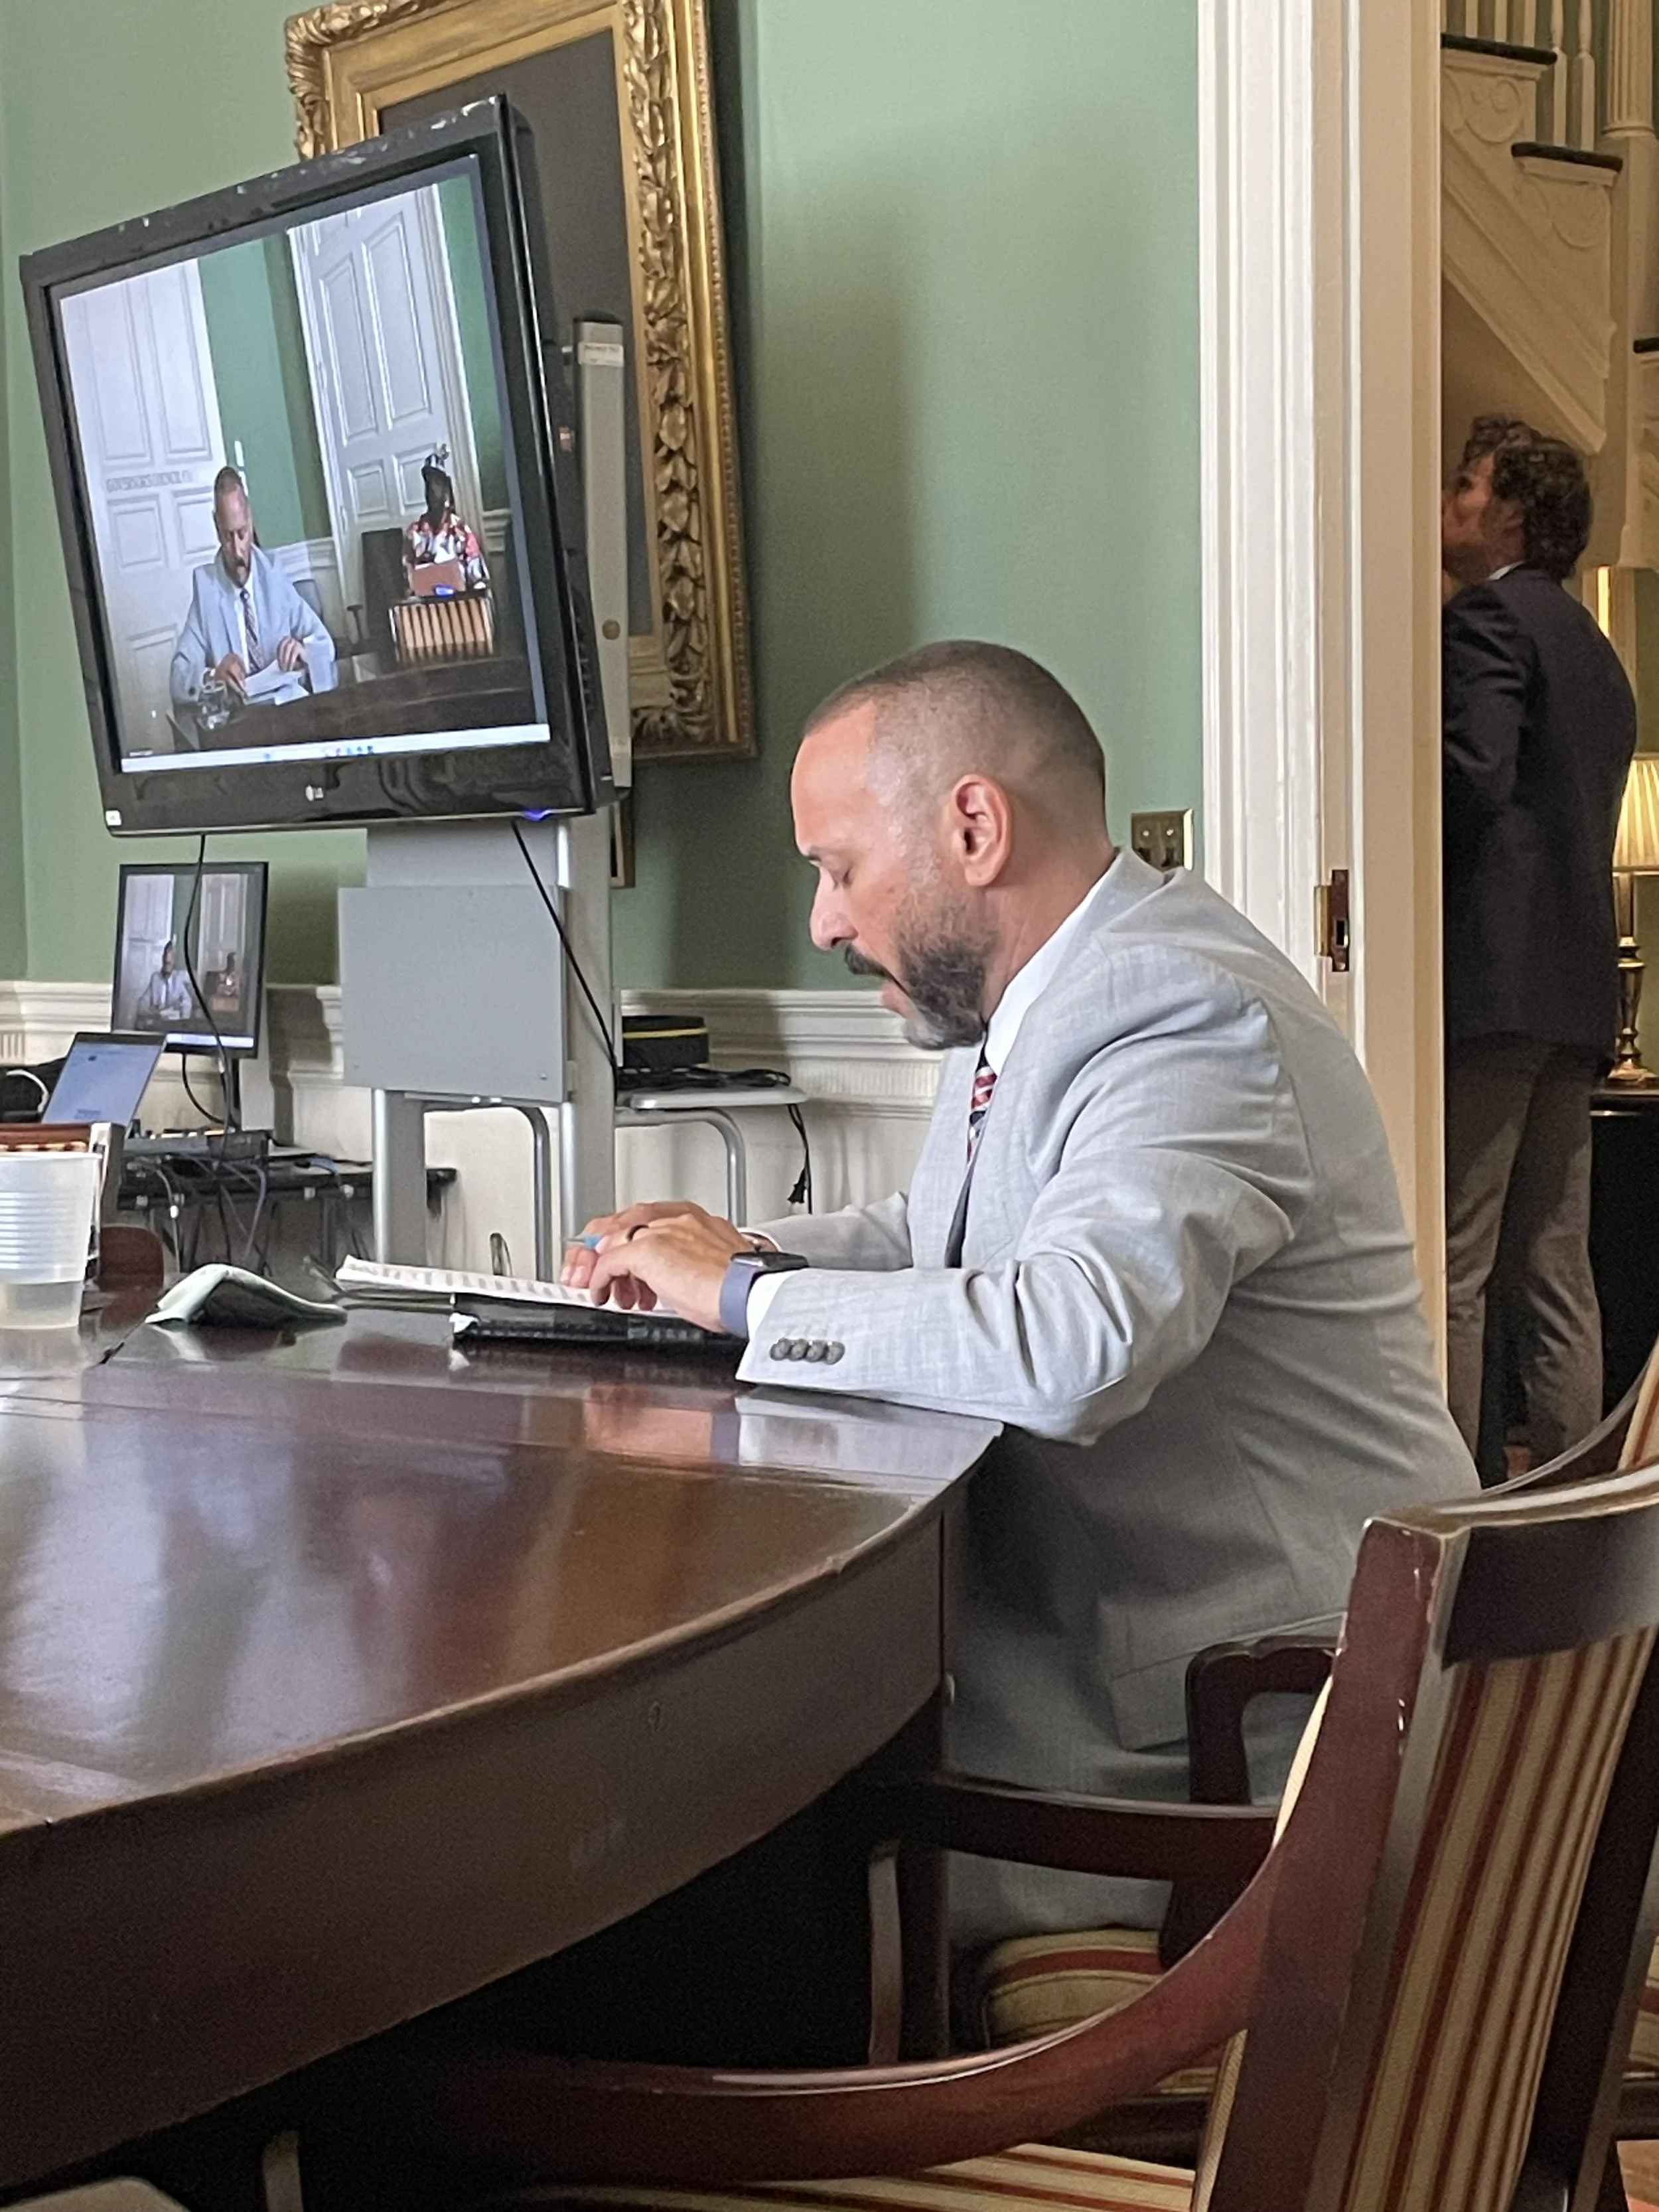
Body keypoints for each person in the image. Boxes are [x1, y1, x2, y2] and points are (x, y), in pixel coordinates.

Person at [564, 639, 1476, 1944]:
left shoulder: (1175, 1004)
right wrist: (727, 1253)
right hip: (1147, 1702)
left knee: (633, 1880)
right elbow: (946, 1236)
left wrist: (747, 1301)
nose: (822, 919)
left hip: (1237, 1765)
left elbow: (1074, 1340)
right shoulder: (1054, 994)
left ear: (974, 825)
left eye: (837, 868)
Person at [1441, 417, 1638, 1481]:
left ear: (1509, 511)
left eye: (1464, 484)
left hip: (1494, 987)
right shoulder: (1598, 650)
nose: (1448, 500)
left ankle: (1460, 1511)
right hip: (1575, 994)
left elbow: (1471, 776)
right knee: (1558, 1268)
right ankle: (1577, 1508)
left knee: (1458, 1267)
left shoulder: (1485, 620)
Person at [169, 467, 336, 714]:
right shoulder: (206, 589)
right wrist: (213, 675)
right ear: (217, 527)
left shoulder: (274, 575)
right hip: (241, 722)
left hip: (287, 711)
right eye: (227, 537)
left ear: (250, 519)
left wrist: (304, 650)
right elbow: (178, 678)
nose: (237, 551)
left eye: (242, 534)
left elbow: (325, 643)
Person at [403, 449, 488, 591]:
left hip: (458, 605)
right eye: (428, 484)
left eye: (436, 484)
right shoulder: (414, 533)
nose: (431, 490)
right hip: (425, 607)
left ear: (446, 490)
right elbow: (408, 580)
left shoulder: (460, 532)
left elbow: (479, 582)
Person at [132, 940, 195, 1031]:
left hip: (173, 1022)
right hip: (157, 1020)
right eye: (165, 964)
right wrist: (149, 1010)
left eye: (169, 964)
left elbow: (187, 1002)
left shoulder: (178, 980)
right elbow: (143, 1002)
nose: (167, 967)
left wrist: (181, 1013)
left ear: (174, 962)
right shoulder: (155, 978)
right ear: (162, 960)